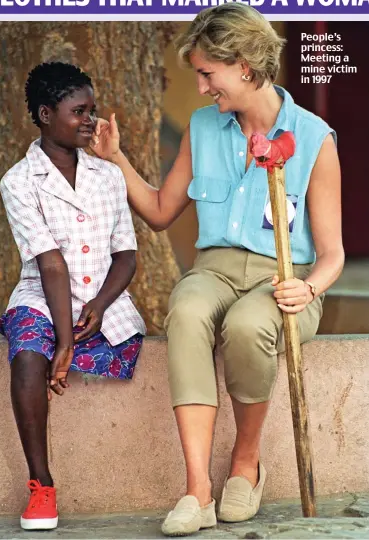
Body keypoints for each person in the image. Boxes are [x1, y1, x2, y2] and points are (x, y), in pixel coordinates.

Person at [92, 4, 344, 536]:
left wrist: (309, 288)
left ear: (245, 67)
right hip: (215, 268)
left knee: (251, 324)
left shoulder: (315, 138)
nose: (203, 87)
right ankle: (197, 490)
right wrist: (116, 159)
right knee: (186, 309)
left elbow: (333, 254)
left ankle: (245, 468)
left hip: (285, 275)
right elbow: (162, 212)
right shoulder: (204, 128)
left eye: (208, 73)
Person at [0, 62, 146, 531]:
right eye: (78, 111)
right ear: (45, 114)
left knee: (106, 339)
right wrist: (63, 342)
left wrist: (100, 306)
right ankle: (41, 485)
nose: (91, 121)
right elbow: (51, 264)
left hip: (103, 298)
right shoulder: (18, 182)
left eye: (92, 110)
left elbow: (126, 256)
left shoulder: (109, 177)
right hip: (43, 296)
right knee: (26, 355)